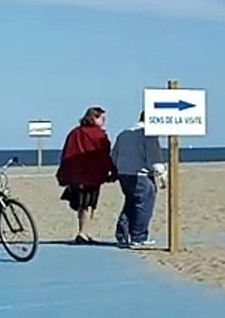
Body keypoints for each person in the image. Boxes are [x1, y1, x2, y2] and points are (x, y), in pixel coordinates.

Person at [57, 106, 117, 243]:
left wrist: (64, 172)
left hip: (77, 174)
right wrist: (112, 170)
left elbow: (66, 153)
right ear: (94, 117)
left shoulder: (75, 133)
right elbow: (103, 155)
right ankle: (82, 233)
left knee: (84, 204)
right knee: (87, 204)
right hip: (90, 174)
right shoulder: (97, 135)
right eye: (102, 118)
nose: (104, 121)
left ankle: (84, 231)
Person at [111, 111, 166, 248]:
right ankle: (138, 237)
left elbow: (114, 154)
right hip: (141, 175)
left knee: (130, 203)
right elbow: (154, 157)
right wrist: (162, 174)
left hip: (124, 174)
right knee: (144, 205)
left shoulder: (124, 133)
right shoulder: (148, 134)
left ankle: (122, 235)